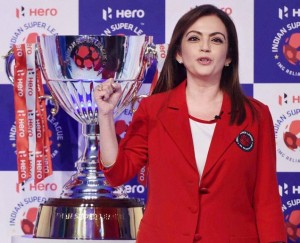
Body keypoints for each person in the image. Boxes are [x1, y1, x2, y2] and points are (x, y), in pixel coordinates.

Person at [94, 4, 287, 243]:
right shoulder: (153, 110)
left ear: (228, 56)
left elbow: (266, 196)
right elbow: (117, 174)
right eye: (194, 38)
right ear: (178, 54)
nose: (205, 46)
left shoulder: (256, 115)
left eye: (216, 40)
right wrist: (105, 115)